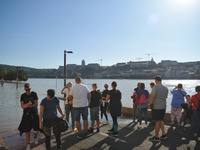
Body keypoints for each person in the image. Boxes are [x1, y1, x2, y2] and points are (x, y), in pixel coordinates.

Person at [18, 83, 39, 150]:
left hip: (35, 114)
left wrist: (29, 106)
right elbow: (22, 106)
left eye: (29, 89)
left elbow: (36, 103)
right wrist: (28, 104)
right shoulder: (22, 96)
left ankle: (35, 138)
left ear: (31, 88)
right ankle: (28, 144)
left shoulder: (34, 94)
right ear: (24, 89)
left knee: (36, 128)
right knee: (27, 130)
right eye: (26, 90)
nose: (28, 91)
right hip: (26, 115)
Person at [148, 75, 168, 141]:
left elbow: (152, 96)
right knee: (160, 120)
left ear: (156, 80)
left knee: (157, 122)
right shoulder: (165, 88)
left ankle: (156, 137)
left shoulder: (155, 87)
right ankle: (164, 134)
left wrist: (149, 104)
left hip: (156, 107)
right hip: (163, 106)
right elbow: (166, 97)